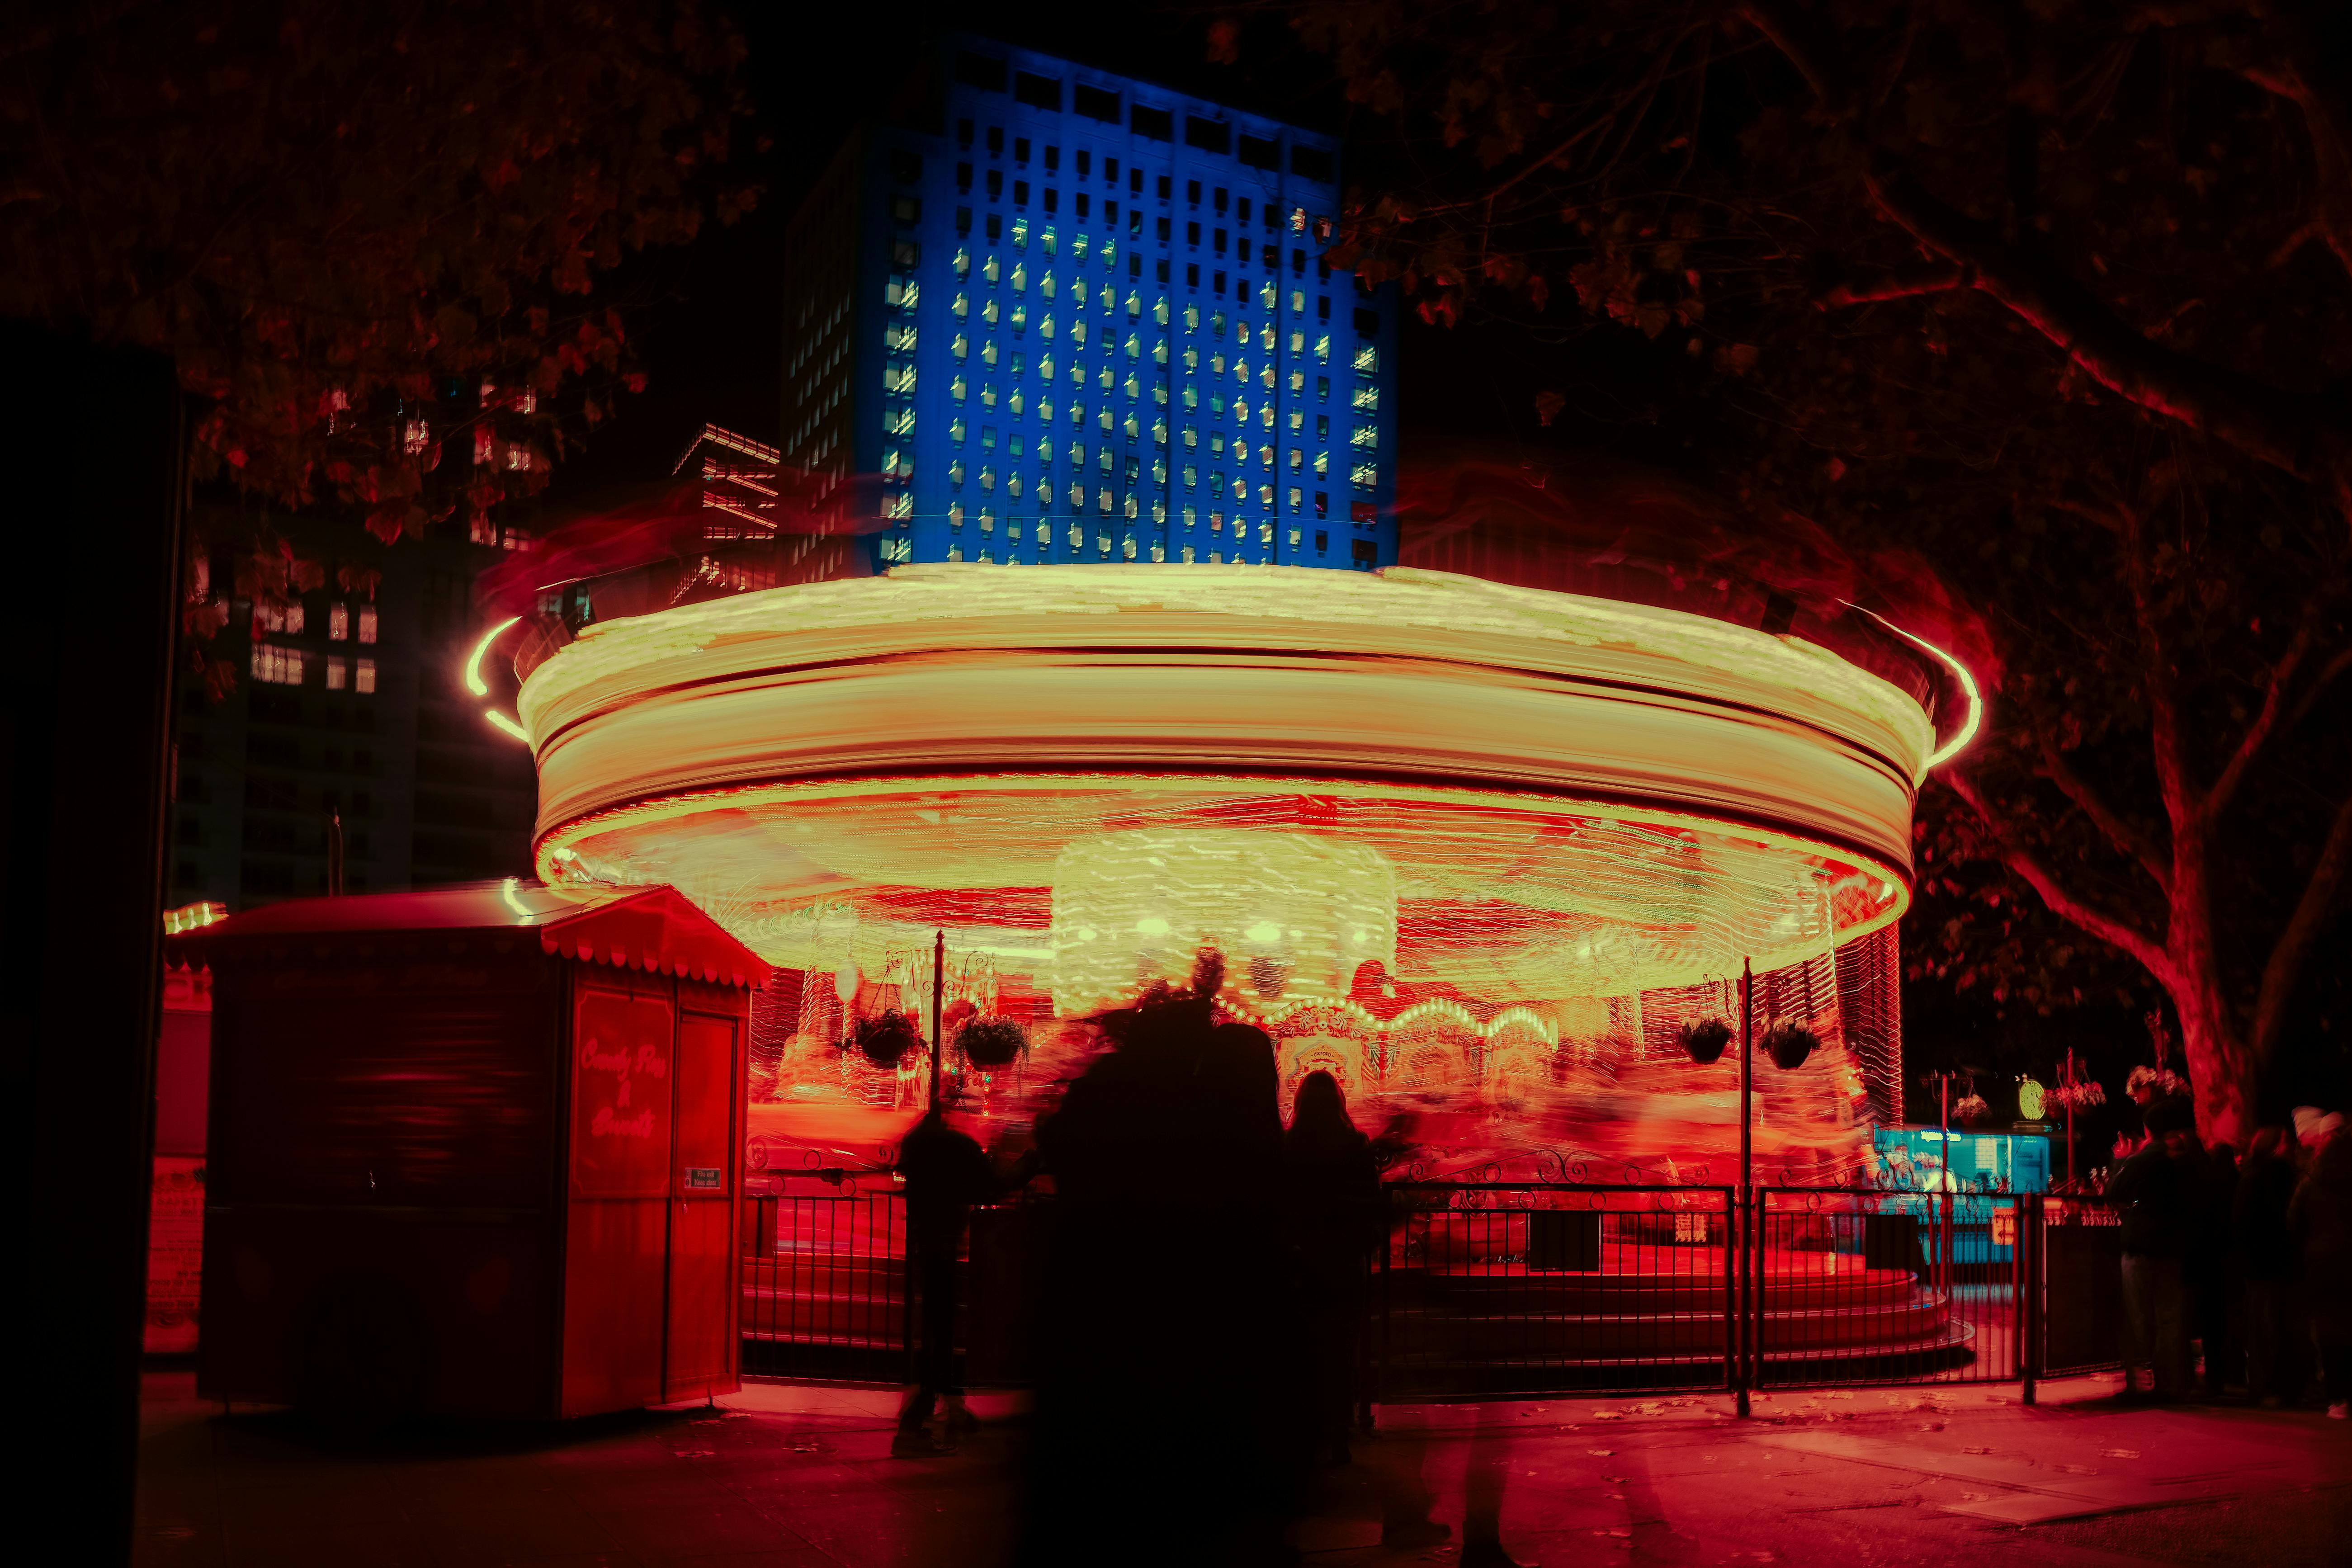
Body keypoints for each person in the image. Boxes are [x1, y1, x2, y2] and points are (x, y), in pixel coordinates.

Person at [1285, 1070, 1382, 1466]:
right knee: (1343, 1350)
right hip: (1344, 1260)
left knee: (1307, 1348)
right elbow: (1371, 1204)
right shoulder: (1355, 1146)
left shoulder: (1290, 1147)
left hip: (1304, 1258)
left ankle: (1308, 1431)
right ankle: (1341, 1435)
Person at [892, 1105, 1001, 1456]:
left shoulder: (917, 1144)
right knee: (943, 1329)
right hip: (947, 1241)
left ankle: (947, 1406)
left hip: (927, 1240)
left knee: (936, 1328)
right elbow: (991, 1187)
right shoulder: (958, 1147)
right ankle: (917, 1422)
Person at [2107, 1095, 2195, 1399]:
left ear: (2147, 1131)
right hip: (2173, 1247)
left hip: (2142, 1245)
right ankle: (2173, 1384)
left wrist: (2123, 1158)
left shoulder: (2144, 1159)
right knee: (2171, 1317)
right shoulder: (2188, 1159)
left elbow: (2115, 1191)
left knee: (2139, 1317)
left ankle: (2142, 1385)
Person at [2288, 1106, 2352, 1419]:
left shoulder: (2311, 1178)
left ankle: (2339, 1397)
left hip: (2322, 1263)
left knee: (2330, 1331)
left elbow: (2293, 1222)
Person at [2235, 1126, 2304, 1405]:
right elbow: (2284, 1221)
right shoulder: (2277, 1177)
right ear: (2277, 1146)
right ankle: (2276, 1387)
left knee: (2262, 1327)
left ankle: (2263, 1386)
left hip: (2256, 1263)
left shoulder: (2250, 1175)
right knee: (2275, 1327)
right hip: (2274, 1262)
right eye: (2288, 1143)